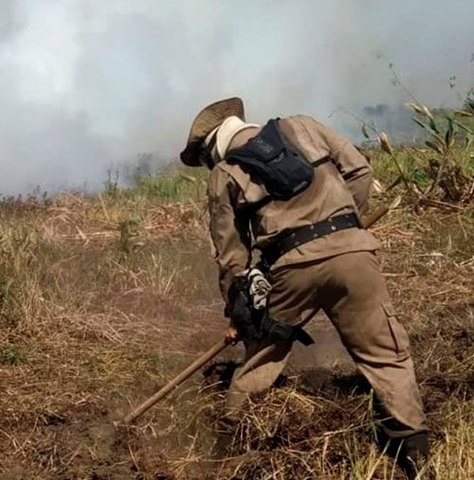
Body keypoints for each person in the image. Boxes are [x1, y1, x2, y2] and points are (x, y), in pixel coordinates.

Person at [180, 97, 431, 478]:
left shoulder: (225, 174)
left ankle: (226, 448)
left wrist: (239, 311)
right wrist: (347, 225)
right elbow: (360, 170)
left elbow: (230, 256)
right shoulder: (304, 126)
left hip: (291, 272)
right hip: (354, 257)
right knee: (385, 353)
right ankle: (415, 454)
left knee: (264, 352)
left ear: (211, 148)